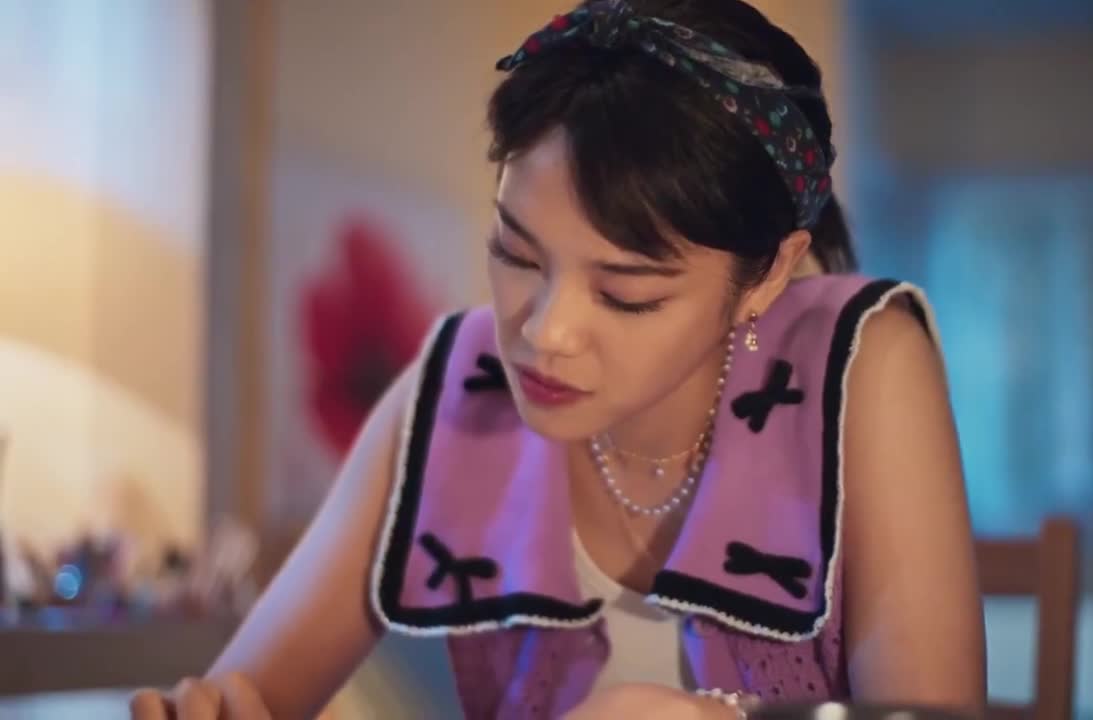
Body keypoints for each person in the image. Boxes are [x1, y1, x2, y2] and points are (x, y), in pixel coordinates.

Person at [131, 1, 985, 718]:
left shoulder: (863, 365)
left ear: (765, 276)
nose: (545, 333)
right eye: (516, 253)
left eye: (624, 294)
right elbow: (251, 694)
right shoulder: (459, 384)